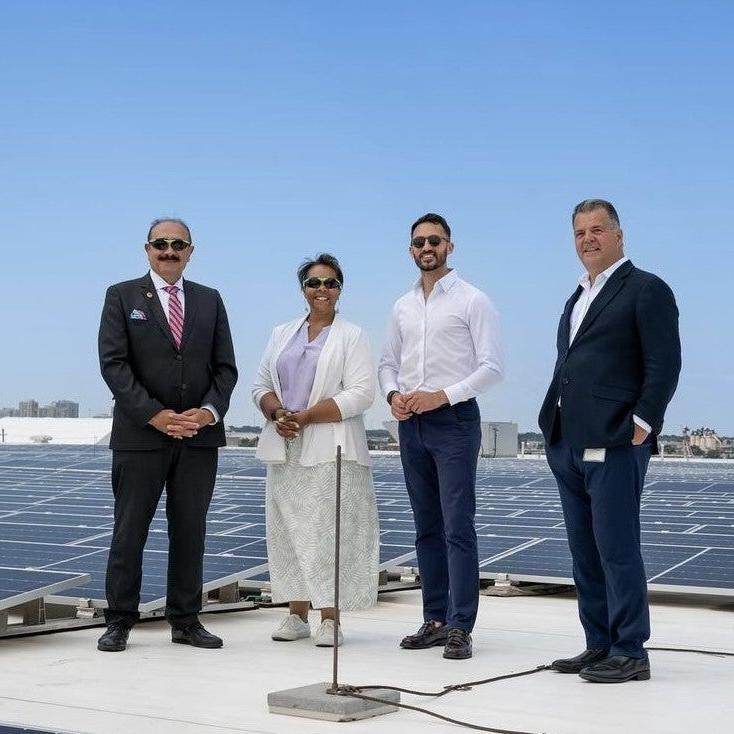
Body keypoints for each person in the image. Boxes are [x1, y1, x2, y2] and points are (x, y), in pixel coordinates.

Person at [539, 199, 681, 683]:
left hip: (617, 441)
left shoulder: (646, 289)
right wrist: (552, 434)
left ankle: (630, 650)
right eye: (579, 232)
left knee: (617, 547)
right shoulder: (576, 297)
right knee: (584, 550)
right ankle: (598, 642)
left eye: (597, 230)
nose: (588, 239)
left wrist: (643, 423)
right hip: (568, 443)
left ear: (619, 235)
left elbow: (664, 364)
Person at [97, 218, 237, 652]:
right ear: (147, 249)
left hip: (197, 438)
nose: (169, 250)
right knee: (129, 531)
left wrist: (209, 412)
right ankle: (120, 619)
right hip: (141, 437)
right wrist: (154, 414)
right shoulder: (121, 296)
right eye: (162, 244)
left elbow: (225, 368)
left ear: (191, 251)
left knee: (190, 530)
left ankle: (186, 620)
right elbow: (114, 365)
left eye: (179, 244)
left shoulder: (209, 300)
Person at [378, 213, 504, 660]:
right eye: (418, 242)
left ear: (450, 246)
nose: (426, 247)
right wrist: (392, 394)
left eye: (434, 240)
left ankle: (460, 625)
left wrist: (443, 396)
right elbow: (387, 363)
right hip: (410, 424)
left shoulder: (473, 300)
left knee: (457, 526)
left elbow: (491, 368)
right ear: (410, 250)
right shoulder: (402, 306)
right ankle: (433, 619)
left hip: (453, 423)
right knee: (425, 527)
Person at [252, 253, 379, 647]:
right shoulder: (281, 333)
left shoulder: (352, 335)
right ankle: (296, 613)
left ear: (340, 289)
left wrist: (305, 416)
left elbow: (361, 393)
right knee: (288, 532)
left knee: (329, 534)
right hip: (285, 445)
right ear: (303, 289)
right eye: (313, 283)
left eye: (330, 283)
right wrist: (278, 414)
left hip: (331, 447)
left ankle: (330, 618)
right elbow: (260, 384)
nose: (321, 290)